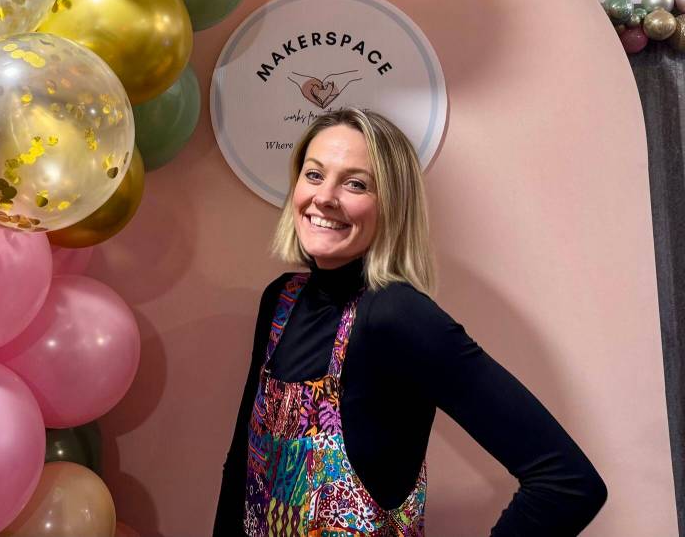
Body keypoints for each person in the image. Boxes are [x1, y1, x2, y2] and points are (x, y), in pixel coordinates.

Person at [213, 108, 607, 536]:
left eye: (355, 184)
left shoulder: (397, 316)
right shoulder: (281, 300)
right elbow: (242, 469)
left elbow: (569, 483)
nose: (324, 197)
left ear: (392, 206)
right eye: (313, 175)